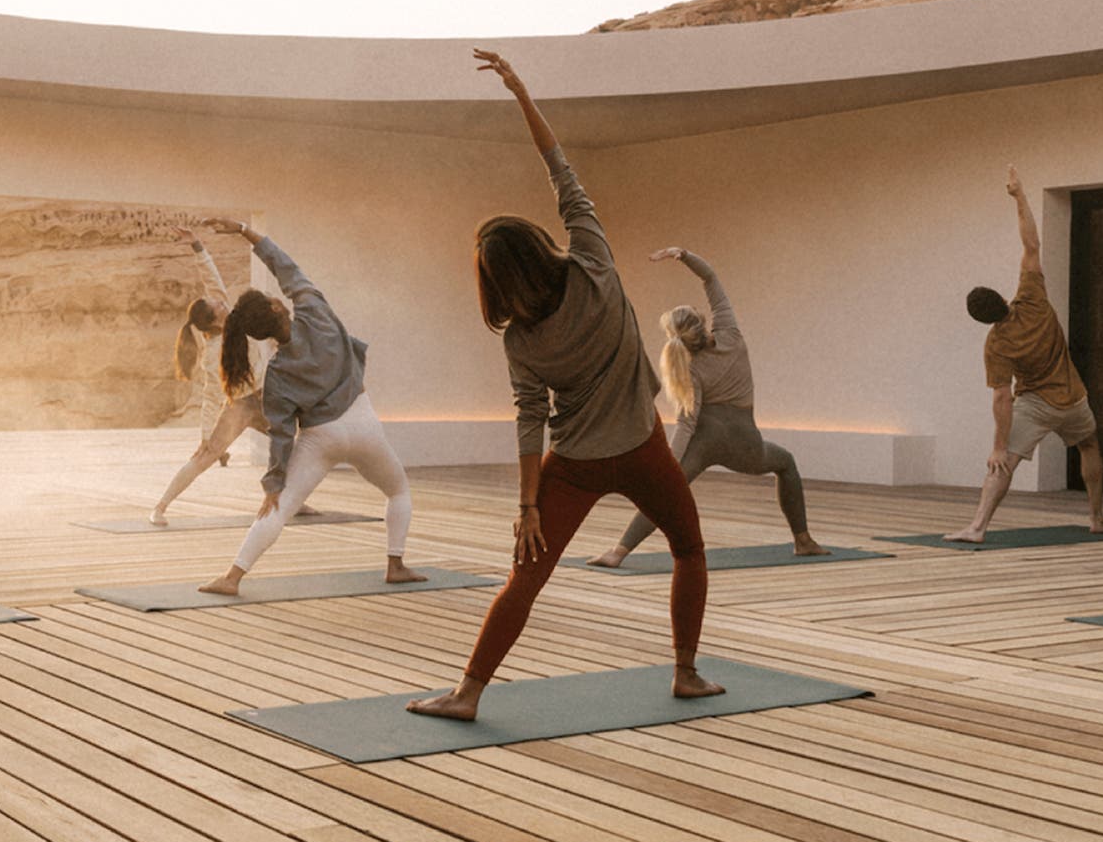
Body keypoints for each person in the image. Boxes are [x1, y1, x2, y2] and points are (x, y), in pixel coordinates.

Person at [410, 51, 720, 721]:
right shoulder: (593, 262)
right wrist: (521, 91)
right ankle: (687, 674)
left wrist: (527, 507)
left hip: (573, 464)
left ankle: (467, 693)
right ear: (540, 244)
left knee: (528, 574)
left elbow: (529, 419)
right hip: (643, 447)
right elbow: (562, 173)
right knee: (689, 549)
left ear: (494, 282)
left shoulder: (519, 339)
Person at [193, 218, 422, 595]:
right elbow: (287, 267)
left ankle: (232, 577)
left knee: (278, 508)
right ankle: (395, 564)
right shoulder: (316, 312)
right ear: (277, 307)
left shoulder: (278, 373)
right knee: (398, 491)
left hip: (320, 438)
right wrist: (244, 230)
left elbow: (281, 435)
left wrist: (273, 484)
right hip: (363, 425)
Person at [588, 247, 823, 566]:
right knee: (785, 463)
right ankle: (803, 541)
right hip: (745, 442)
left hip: (705, 441)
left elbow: (687, 423)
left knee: (668, 490)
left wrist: (669, 464)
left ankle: (619, 551)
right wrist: (683, 255)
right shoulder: (731, 335)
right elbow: (710, 278)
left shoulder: (691, 369)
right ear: (703, 321)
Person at [947, 165, 1103, 542]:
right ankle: (1097, 518)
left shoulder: (997, 345)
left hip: (1036, 402)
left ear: (983, 321)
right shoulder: (1032, 298)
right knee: (1088, 445)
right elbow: (1031, 244)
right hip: (1074, 397)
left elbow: (1002, 397)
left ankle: (977, 526)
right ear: (1002, 297)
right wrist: (1019, 196)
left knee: (1004, 465)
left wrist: (999, 447)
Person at [150, 227, 270, 524]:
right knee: (204, 456)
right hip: (241, 406)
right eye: (217, 304)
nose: (221, 301)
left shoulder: (228, 315)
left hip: (267, 398)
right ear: (214, 318)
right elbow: (211, 395)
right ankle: (160, 507)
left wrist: (197, 247)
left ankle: (294, 500)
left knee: (295, 443)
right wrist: (207, 436)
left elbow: (211, 278)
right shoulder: (213, 352)